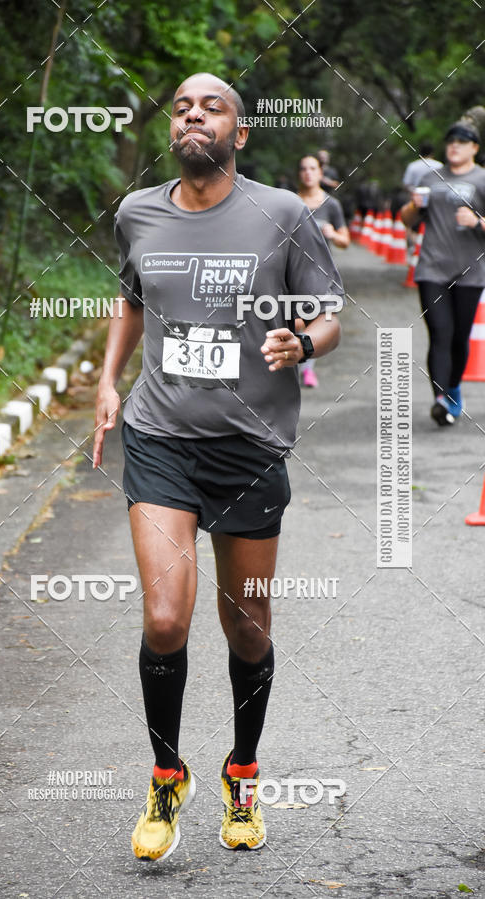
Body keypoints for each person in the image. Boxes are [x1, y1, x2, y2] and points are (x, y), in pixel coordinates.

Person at [93, 72, 343, 861]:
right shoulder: (138, 213)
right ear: (174, 129)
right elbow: (132, 300)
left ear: (239, 134)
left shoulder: (283, 214)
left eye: (213, 107)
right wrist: (107, 379)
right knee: (165, 619)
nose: (194, 114)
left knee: (247, 625)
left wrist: (301, 342)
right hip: (161, 437)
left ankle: (243, 770)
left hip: (250, 449)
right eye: (181, 106)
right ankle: (168, 773)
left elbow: (329, 313)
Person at [401, 120, 485, 425]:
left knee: (459, 337)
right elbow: (408, 220)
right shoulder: (429, 176)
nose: (454, 146)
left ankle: (452, 389)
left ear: (474, 148)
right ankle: (440, 400)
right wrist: (413, 205)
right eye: (450, 140)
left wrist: (477, 222)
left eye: (462, 142)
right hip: (431, 269)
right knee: (440, 333)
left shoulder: (482, 179)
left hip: (470, 272)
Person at [297, 154, 350, 387]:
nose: (308, 173)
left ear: (320, 173)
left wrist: (334, 235)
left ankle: (307, 369)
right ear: (299, 174)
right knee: (297, 321)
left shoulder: (331, 204)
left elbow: (345, 241)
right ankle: (297, 364)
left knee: (314, 322)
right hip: (292, 270)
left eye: (312, 168)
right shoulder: (290, 202)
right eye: (304, 168)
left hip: (320, 273)